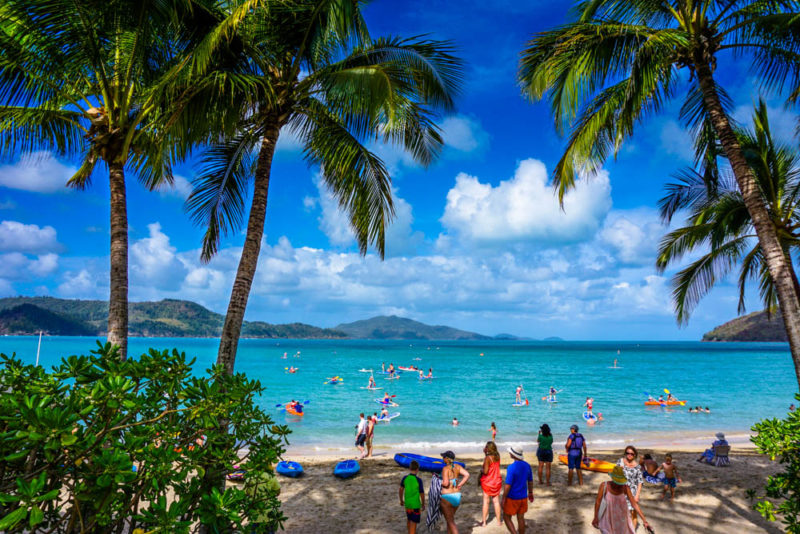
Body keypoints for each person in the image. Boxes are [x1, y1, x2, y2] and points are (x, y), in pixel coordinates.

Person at [592, 465, 652, 534]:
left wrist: (644, 520)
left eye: (619, 482)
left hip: (622, 520)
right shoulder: (604, 486)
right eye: (617, 482)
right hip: (608, 518)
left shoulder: (625, 487)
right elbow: (598, 502)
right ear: (612, 478)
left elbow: (634, 504)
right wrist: (596, 517)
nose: (618, 485)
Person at [502, 446, 533, 534]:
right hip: (523, 497)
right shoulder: (527, 465)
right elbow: (530, 481)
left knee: (506, 517)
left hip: (512, 497)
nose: (509, 453)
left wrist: (504, 498)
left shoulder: (511, 467)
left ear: (513, 455)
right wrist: (530, 492)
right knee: (521, 518)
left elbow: (508, 485)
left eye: (510, 452)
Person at [440, 450, 469, 534]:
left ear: (447, 459)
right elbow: (467, 474)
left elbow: (445, 483)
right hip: (457, 496)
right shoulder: (458, 466)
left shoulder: (445, 469)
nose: (443, 459)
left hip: (447, 497)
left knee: (450, 522)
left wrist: (438, 481)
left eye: (444, 457)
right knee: (450, 519)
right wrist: (460, 485)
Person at [616, 446, 644, 530]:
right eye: (628, 453)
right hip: (621, 492)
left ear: (635, 455)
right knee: (621, 512)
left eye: (632, 453)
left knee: (633, 513)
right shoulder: (620, 462)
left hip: (633, 493)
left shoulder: (638, 467)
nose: (629, 455)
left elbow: (640, 482)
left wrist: (637, 496)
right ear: (625, 453)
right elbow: (615, 476)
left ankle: (632, 531)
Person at [479, 441, 503, 527]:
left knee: (486, 502)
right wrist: (486, 453)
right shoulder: (497, 456)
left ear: (488, 448)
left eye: (486, 447)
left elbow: (485, 471)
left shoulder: (488, 458)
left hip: (488, 482)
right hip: (497, 481)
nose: (485, 448)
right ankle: (499, 521)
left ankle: (484, 522)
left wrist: (481, 470)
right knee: (496, 502)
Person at [400, 459, 425, 534]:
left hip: (407, 504)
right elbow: (422, 493)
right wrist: (423, 504)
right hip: (416, 505)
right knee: (414, 523)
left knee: (409, 519)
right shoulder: (418, 480)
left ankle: (409, 532)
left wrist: (401, 500)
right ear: (417, 469)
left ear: (409, 469)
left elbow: (401, 490)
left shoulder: (405, 478)